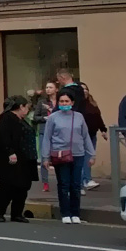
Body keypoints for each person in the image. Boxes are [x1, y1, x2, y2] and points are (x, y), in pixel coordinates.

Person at [44, 90, 94, 224]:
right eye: (61, 101)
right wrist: (45, 157)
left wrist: (91, 154)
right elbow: (47, 138)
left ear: (72, 103)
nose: (64, 103)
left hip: (78, 155)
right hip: (60, 155)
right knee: (64, 184)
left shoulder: (79, 117)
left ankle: (75, 213)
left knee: (76, 185)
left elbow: (85, 136)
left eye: (66, 101)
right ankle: (65, 213)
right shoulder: (53, 118)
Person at [0, 96, 37, 222]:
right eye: (26, 107)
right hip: (11, 159)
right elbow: (3, 137)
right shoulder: (7, 118)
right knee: (7, 186)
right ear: (21, 107)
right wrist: (10, 152)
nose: (27, 110)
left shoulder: (21, 120)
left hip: (24, 159)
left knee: (22, 186)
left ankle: (17, 213)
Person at [76, 83, 107, 190]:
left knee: (90, 157)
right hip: (82, 135)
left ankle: (87, 179)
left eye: (86, 89)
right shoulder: (78, 104)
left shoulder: (92, 103)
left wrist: (103, 130)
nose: (84, 91)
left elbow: (98, 117)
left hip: (92, 134)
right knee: (85, 158)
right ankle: (85, 180)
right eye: (82, 89)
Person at [30, 82, 58, 191]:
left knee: (59, 157)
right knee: (44, 158)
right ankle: (45, 183)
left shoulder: (61, 102)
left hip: (58, 133)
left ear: (56, 89)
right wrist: (44, 118)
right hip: (44, 132)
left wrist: (52, 111)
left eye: (50, 87)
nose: (48, 89)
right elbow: (35, 117)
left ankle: (62, 181)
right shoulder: (42, 102)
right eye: (46, 87)